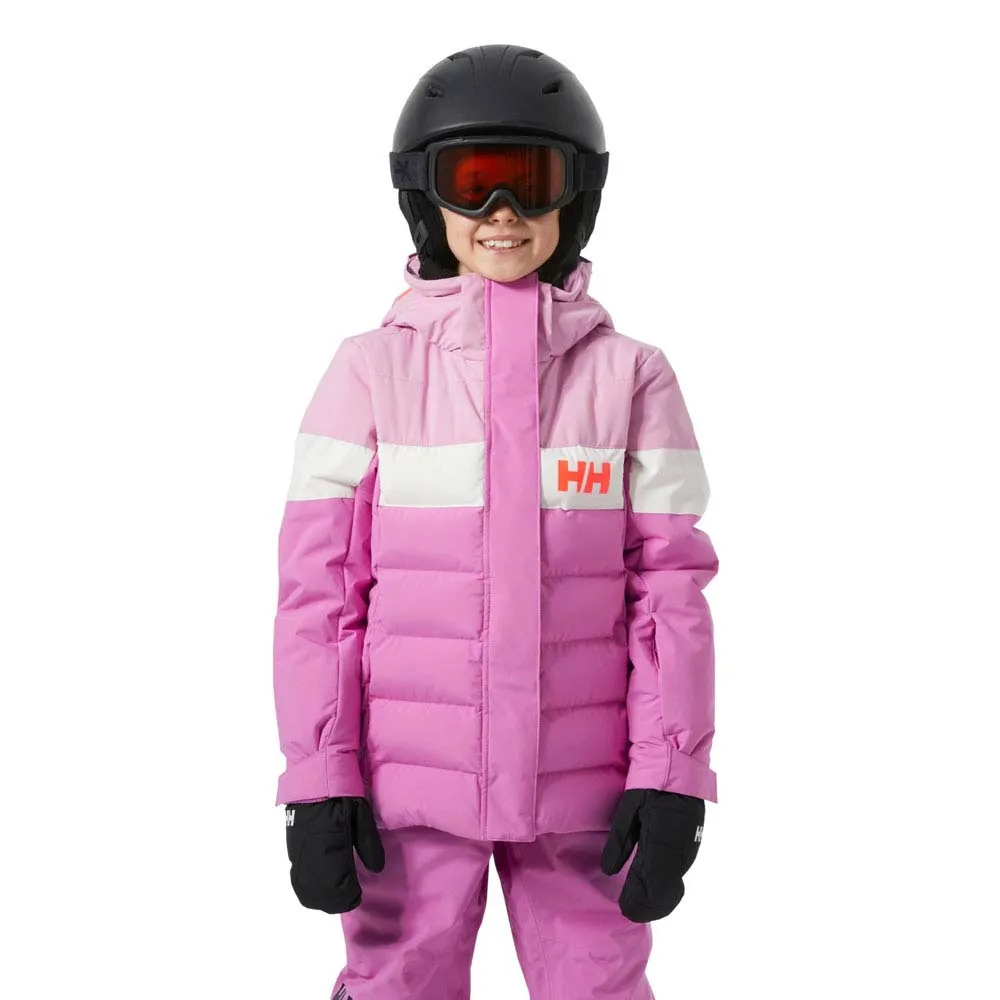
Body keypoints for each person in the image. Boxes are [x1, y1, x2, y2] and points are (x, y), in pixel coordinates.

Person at [273, 43, 718, 1000]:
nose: (502, 214)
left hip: (586, 792)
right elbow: (320, 594)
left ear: (576, 196)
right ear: (424, 199)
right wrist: (319, 774)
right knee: (397, 983)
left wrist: (672, 772)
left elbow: (670, 592)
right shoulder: (370, 374)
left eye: (531, 182)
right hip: (407, 794)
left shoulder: (632, 378)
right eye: (473, 183)